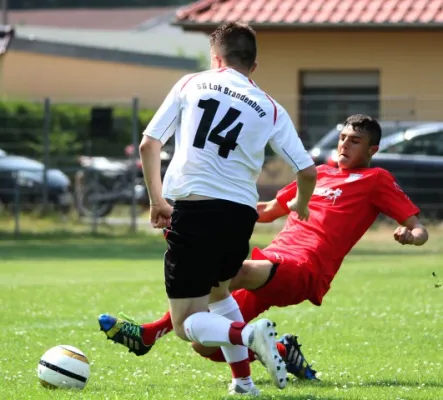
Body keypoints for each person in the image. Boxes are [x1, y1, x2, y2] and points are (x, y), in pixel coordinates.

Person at [99, 114, 429, 382]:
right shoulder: (317, 176)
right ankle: (284, 352)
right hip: (270, 261)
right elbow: (267, 210)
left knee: (229, 271)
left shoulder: (376, 179)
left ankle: (149, 335)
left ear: (372, 150)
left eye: (355, 141)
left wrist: (409, 233)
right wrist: (214, 208)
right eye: (342, 137)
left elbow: (419, 228)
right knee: (207, 345)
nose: (344, 144)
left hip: (303, 269)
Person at [99, 22, 317, 396]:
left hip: (195, 212)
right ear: (254, 64)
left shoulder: (191, 83)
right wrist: (300, 202)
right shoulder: (270, 107)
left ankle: (248, 334)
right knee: (219, 294)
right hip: (238, 218)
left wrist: (157, 200)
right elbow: (307, 170)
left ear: (216, 58)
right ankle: (244, 383)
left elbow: (149, 144)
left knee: (187, 324)